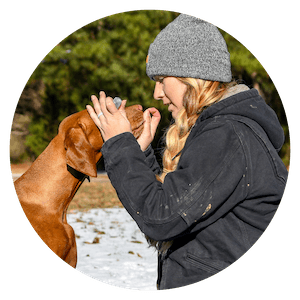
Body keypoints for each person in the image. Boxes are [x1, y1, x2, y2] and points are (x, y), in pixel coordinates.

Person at [86, 13, 288, 290]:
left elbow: (162, 218)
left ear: (190, 76)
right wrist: (141, 152)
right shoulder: (222, 132)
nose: (157, 92)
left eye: (161, 78)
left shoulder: (228, 135)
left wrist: (120, 143)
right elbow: (178, 205)